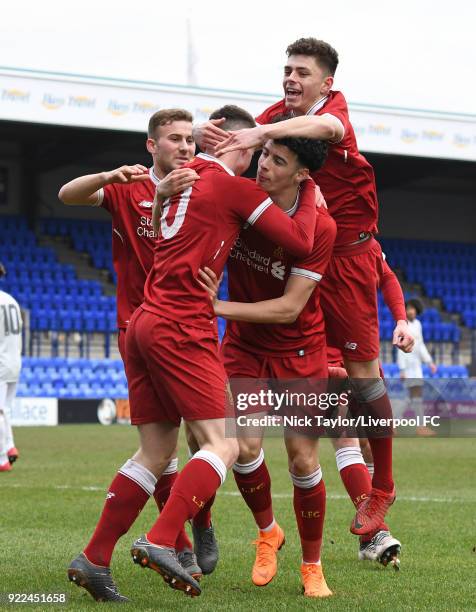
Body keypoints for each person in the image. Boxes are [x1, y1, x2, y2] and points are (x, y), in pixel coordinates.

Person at [199, 37, 413, 535]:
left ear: (327, 83)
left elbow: (323, 128)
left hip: (349, 257)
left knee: (363, 374)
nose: (291, 78)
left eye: (303, 72)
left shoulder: (332, 113)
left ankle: (382, 487)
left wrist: (259, 134)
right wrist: (206, 136)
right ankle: (254, 527)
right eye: (287, 69)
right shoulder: (276, 115)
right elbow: (239, 141)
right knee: (317, 418)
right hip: (298, 252)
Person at [60, 109, 204, 601]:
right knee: (213, 440)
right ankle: (182, 539)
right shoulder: (131, 188)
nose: (185, 147)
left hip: (177, 327)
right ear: (151, 146)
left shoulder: (204, 187)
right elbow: (67, 195)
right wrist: (108, 174)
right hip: (149, 329)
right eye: (174, 139)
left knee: (163, 448)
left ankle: (174, 546)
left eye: (190, 139)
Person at [196, 132, 335, 597]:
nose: (264, 166)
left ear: (302, 175)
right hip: (244, 348)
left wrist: (216, 308)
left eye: (278, 161)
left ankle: (312, 565)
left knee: (302, 457)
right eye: (264, 156)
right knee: (244, 446)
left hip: (300, 348)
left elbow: (289, 308)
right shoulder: (241, 203)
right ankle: (268, 532)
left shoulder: (321, 228)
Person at [398, 299, 437, 436]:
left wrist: (429, 362)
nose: (411, 311)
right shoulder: (403, 325)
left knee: (412, 396)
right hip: (408, 367)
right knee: (415, 395)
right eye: (408, 308)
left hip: (417, 366)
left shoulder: (418, 324)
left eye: (413, 308)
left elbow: (420, 346)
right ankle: (420, 427)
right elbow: (399, 348)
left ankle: (393, 424)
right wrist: (402, 369)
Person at [0, 262, 22, 472]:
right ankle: (9, 446)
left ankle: (1, 459)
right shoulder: (12, 301)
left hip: (1, 363)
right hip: (14, 361)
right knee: (4, 409)